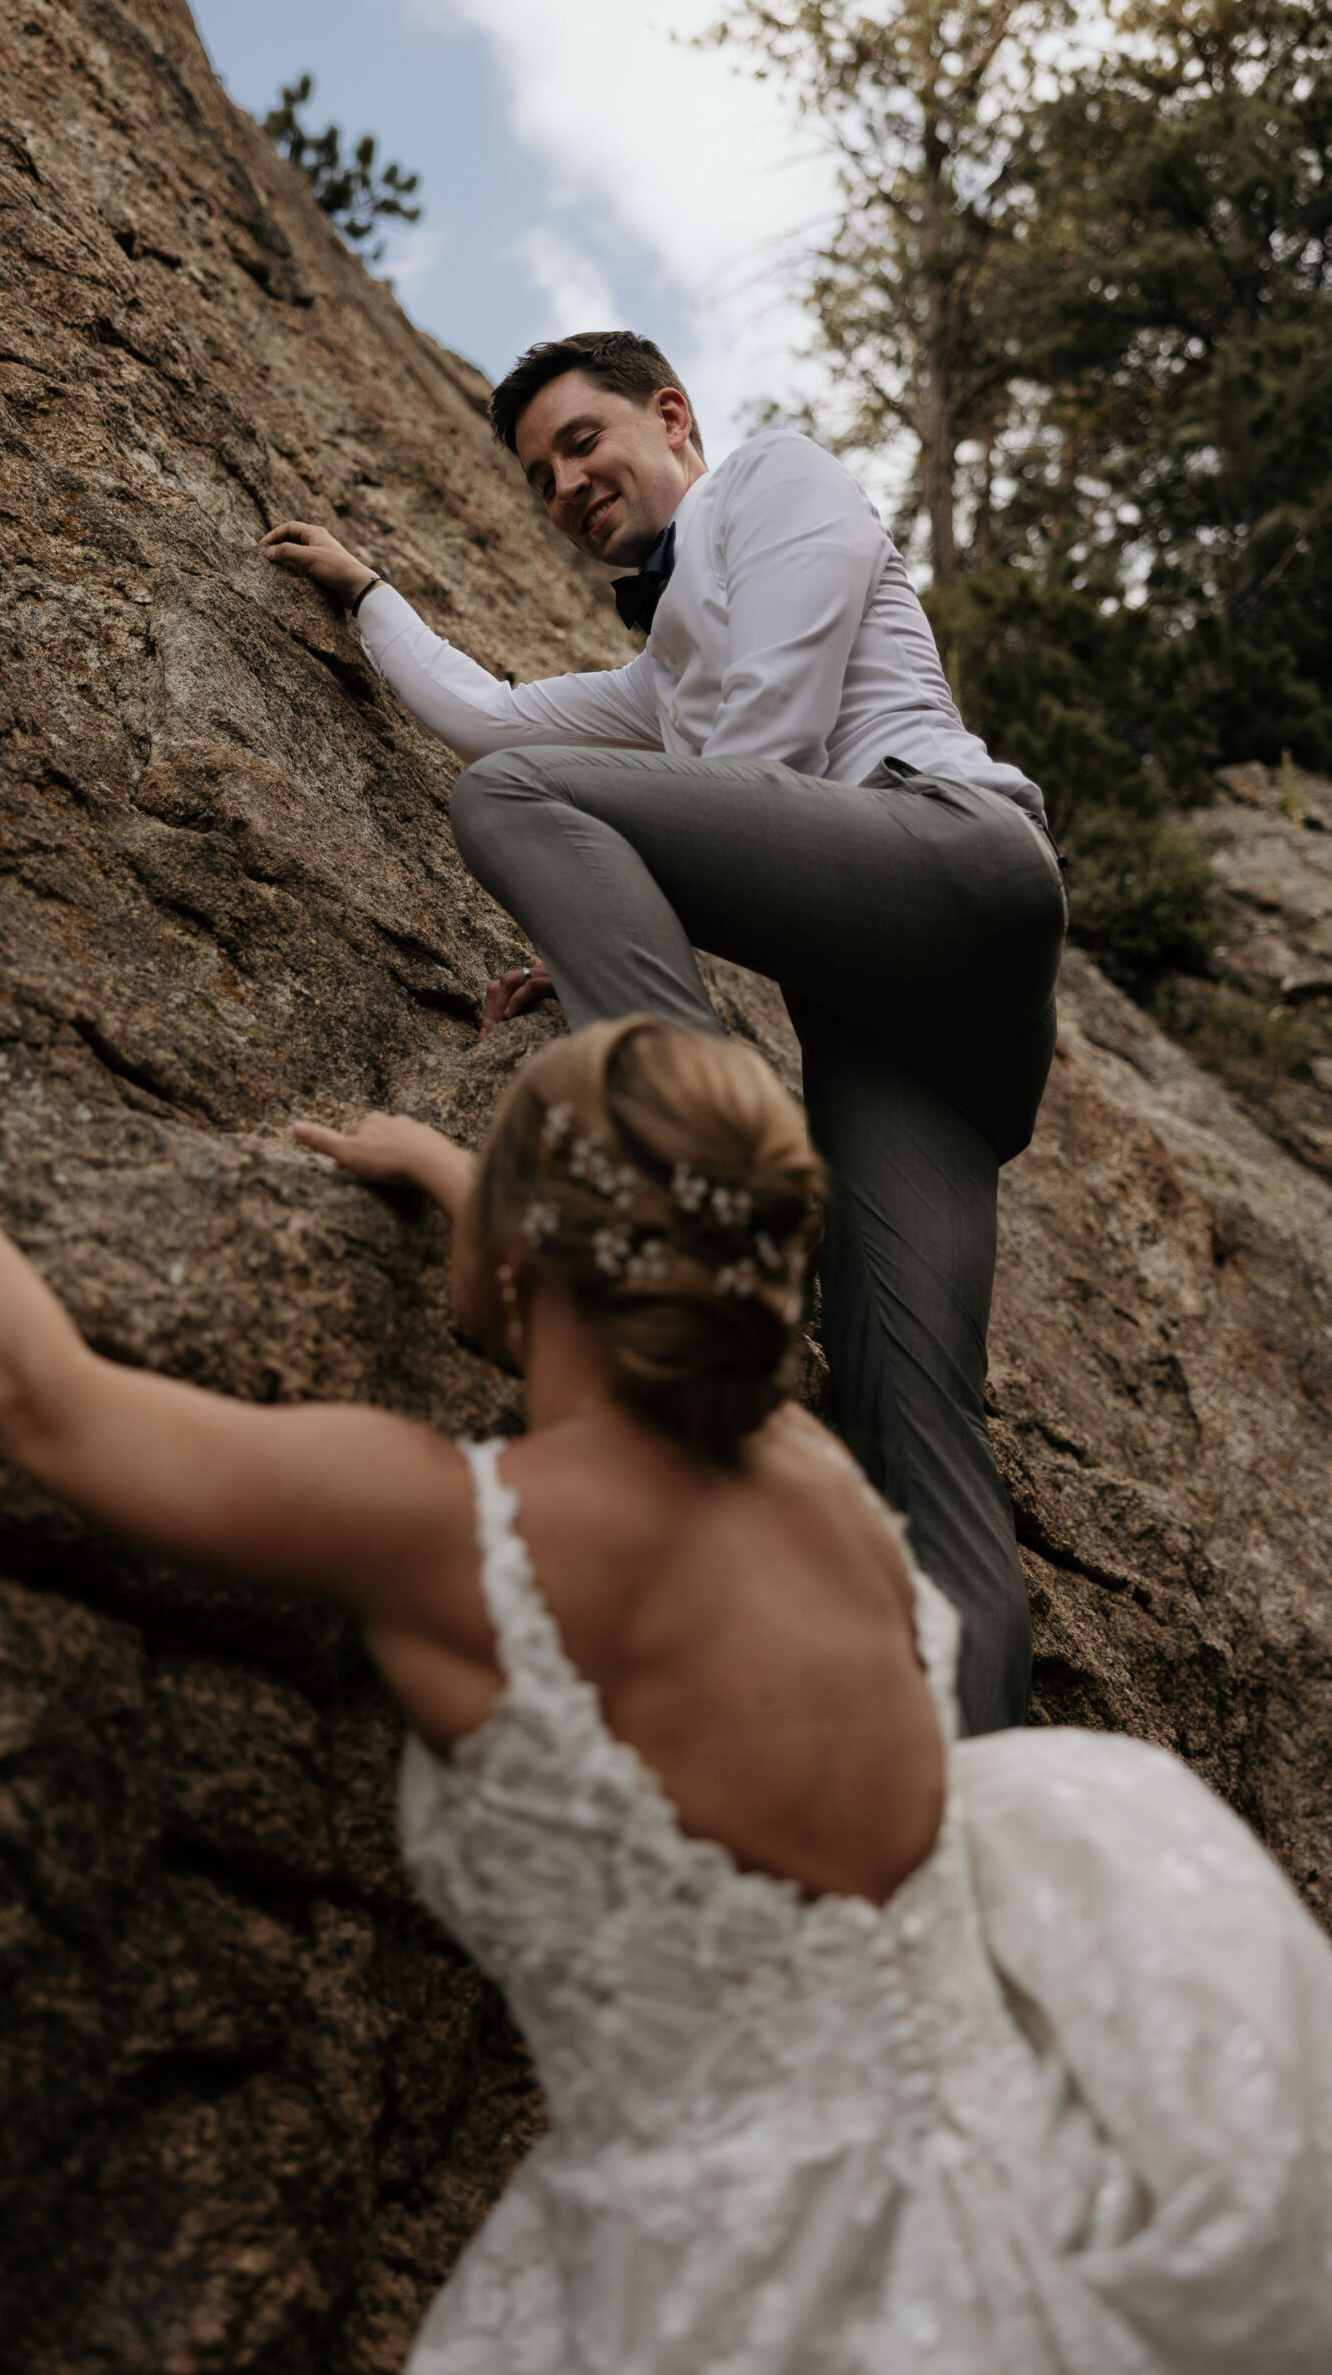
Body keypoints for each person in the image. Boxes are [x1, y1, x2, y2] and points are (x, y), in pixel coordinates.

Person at [0, 1029, 1332, 2373]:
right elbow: (640, 1300)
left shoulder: (455, 1535)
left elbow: (53, 1403)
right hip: (1010, 2208)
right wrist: (462, 1175)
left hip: (734, 2282)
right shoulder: (815, 1481)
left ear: (527, 1256)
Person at [261, 331, 1067, 1735]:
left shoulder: (778, 480)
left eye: (582, 443)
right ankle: (975, 1831)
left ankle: (689, 1126)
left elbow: (764, 731)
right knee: (909, 1446)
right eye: (540, 478)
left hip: (956, 858)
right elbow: (495, 717)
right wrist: (372, 594)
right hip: (906, 1034)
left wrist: (614, 918)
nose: (566, 484)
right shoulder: (657, 683)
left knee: (514, 809)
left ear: (671, 418)